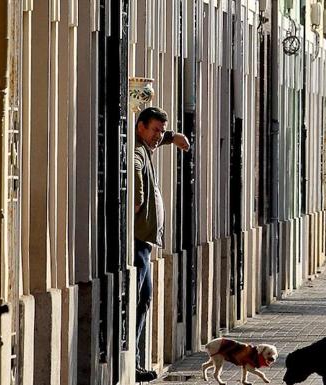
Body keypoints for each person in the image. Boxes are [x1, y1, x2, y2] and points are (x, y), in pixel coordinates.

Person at [134, 107, 190, 381]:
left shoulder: (146, 146)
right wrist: (138, 197)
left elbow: (158, 138)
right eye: (154, 129)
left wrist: (172, 136)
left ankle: (135, 359)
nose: (157, 135)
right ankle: (132, 359)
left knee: (143, 298)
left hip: (144, 242)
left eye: (160, 130)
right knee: (140, 297)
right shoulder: (137, 152)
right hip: (137, 242)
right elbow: (133, 170)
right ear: (140, 127)